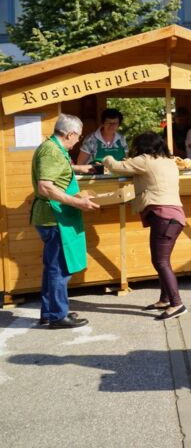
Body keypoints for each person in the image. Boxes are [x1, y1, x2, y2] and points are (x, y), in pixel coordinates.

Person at [103, 132, 187, 321]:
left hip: (164, 217)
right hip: (173, 216)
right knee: (163, 260)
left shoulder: (145, 160)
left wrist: (106, 158)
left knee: (160, 262)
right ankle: (165, 299)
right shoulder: (169, 161)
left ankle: (177, 304)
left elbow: (117, 167)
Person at [31, 114, 100, 328]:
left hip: (54, 217)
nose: (78, 141)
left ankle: (50, 312)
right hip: (55, 217)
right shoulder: (52, 151)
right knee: (59, 269)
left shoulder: (53, 148)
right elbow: (45, 186)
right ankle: (57, 316)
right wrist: (78, 202)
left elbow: (57, 172)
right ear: (70, 134)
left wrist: (80, 168)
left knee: (53, 267)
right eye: (78, 136)